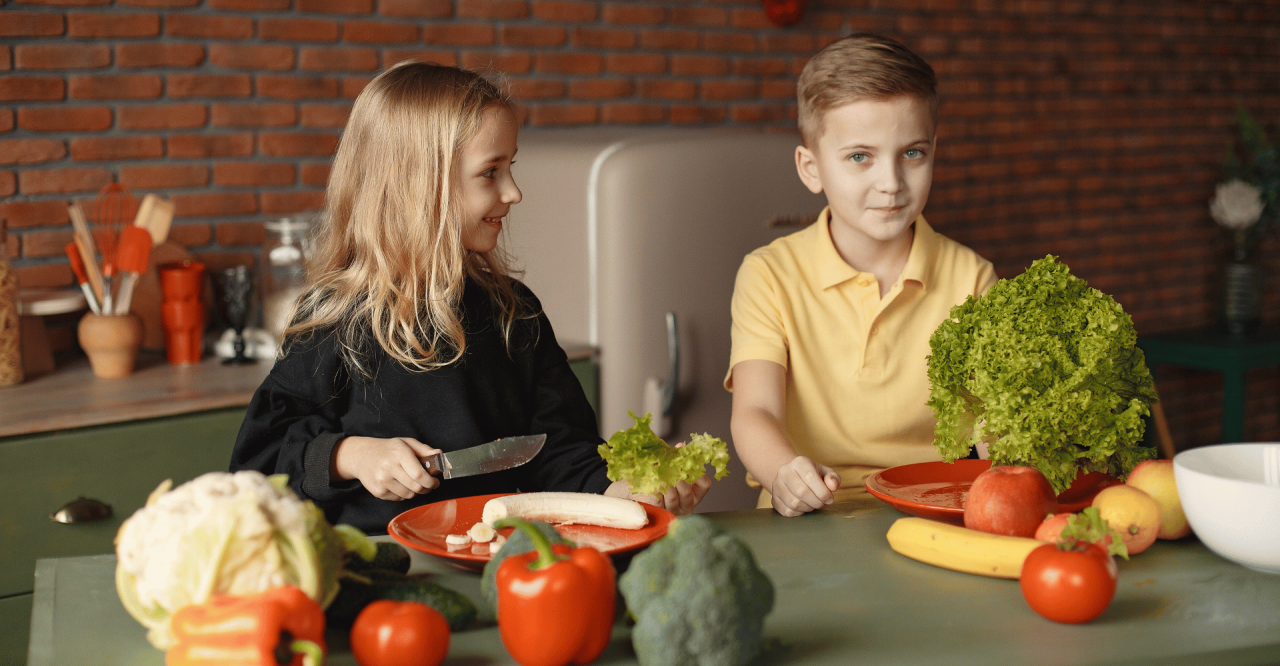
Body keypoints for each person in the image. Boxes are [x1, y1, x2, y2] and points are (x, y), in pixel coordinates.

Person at [231, 61, 710, 534]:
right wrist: (349, 456)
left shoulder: (514, 314)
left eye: (511, 167)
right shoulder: (336, 318)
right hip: (382, 573)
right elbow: (259, 462)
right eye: (490, 173)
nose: (514, 192)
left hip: (503, 563)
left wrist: (630, 493)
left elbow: (563, 453)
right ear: (418, 187)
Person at [726, 34, 998, 517]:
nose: (891, 182)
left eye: (912, 153)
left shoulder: (973, 279)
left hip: (932, 511)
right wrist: (784, 472)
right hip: (809, 514)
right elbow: (756, 411)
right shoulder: (768, 274)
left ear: (934, 151)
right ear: (811, 169)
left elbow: (993, 431)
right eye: (860, 157)